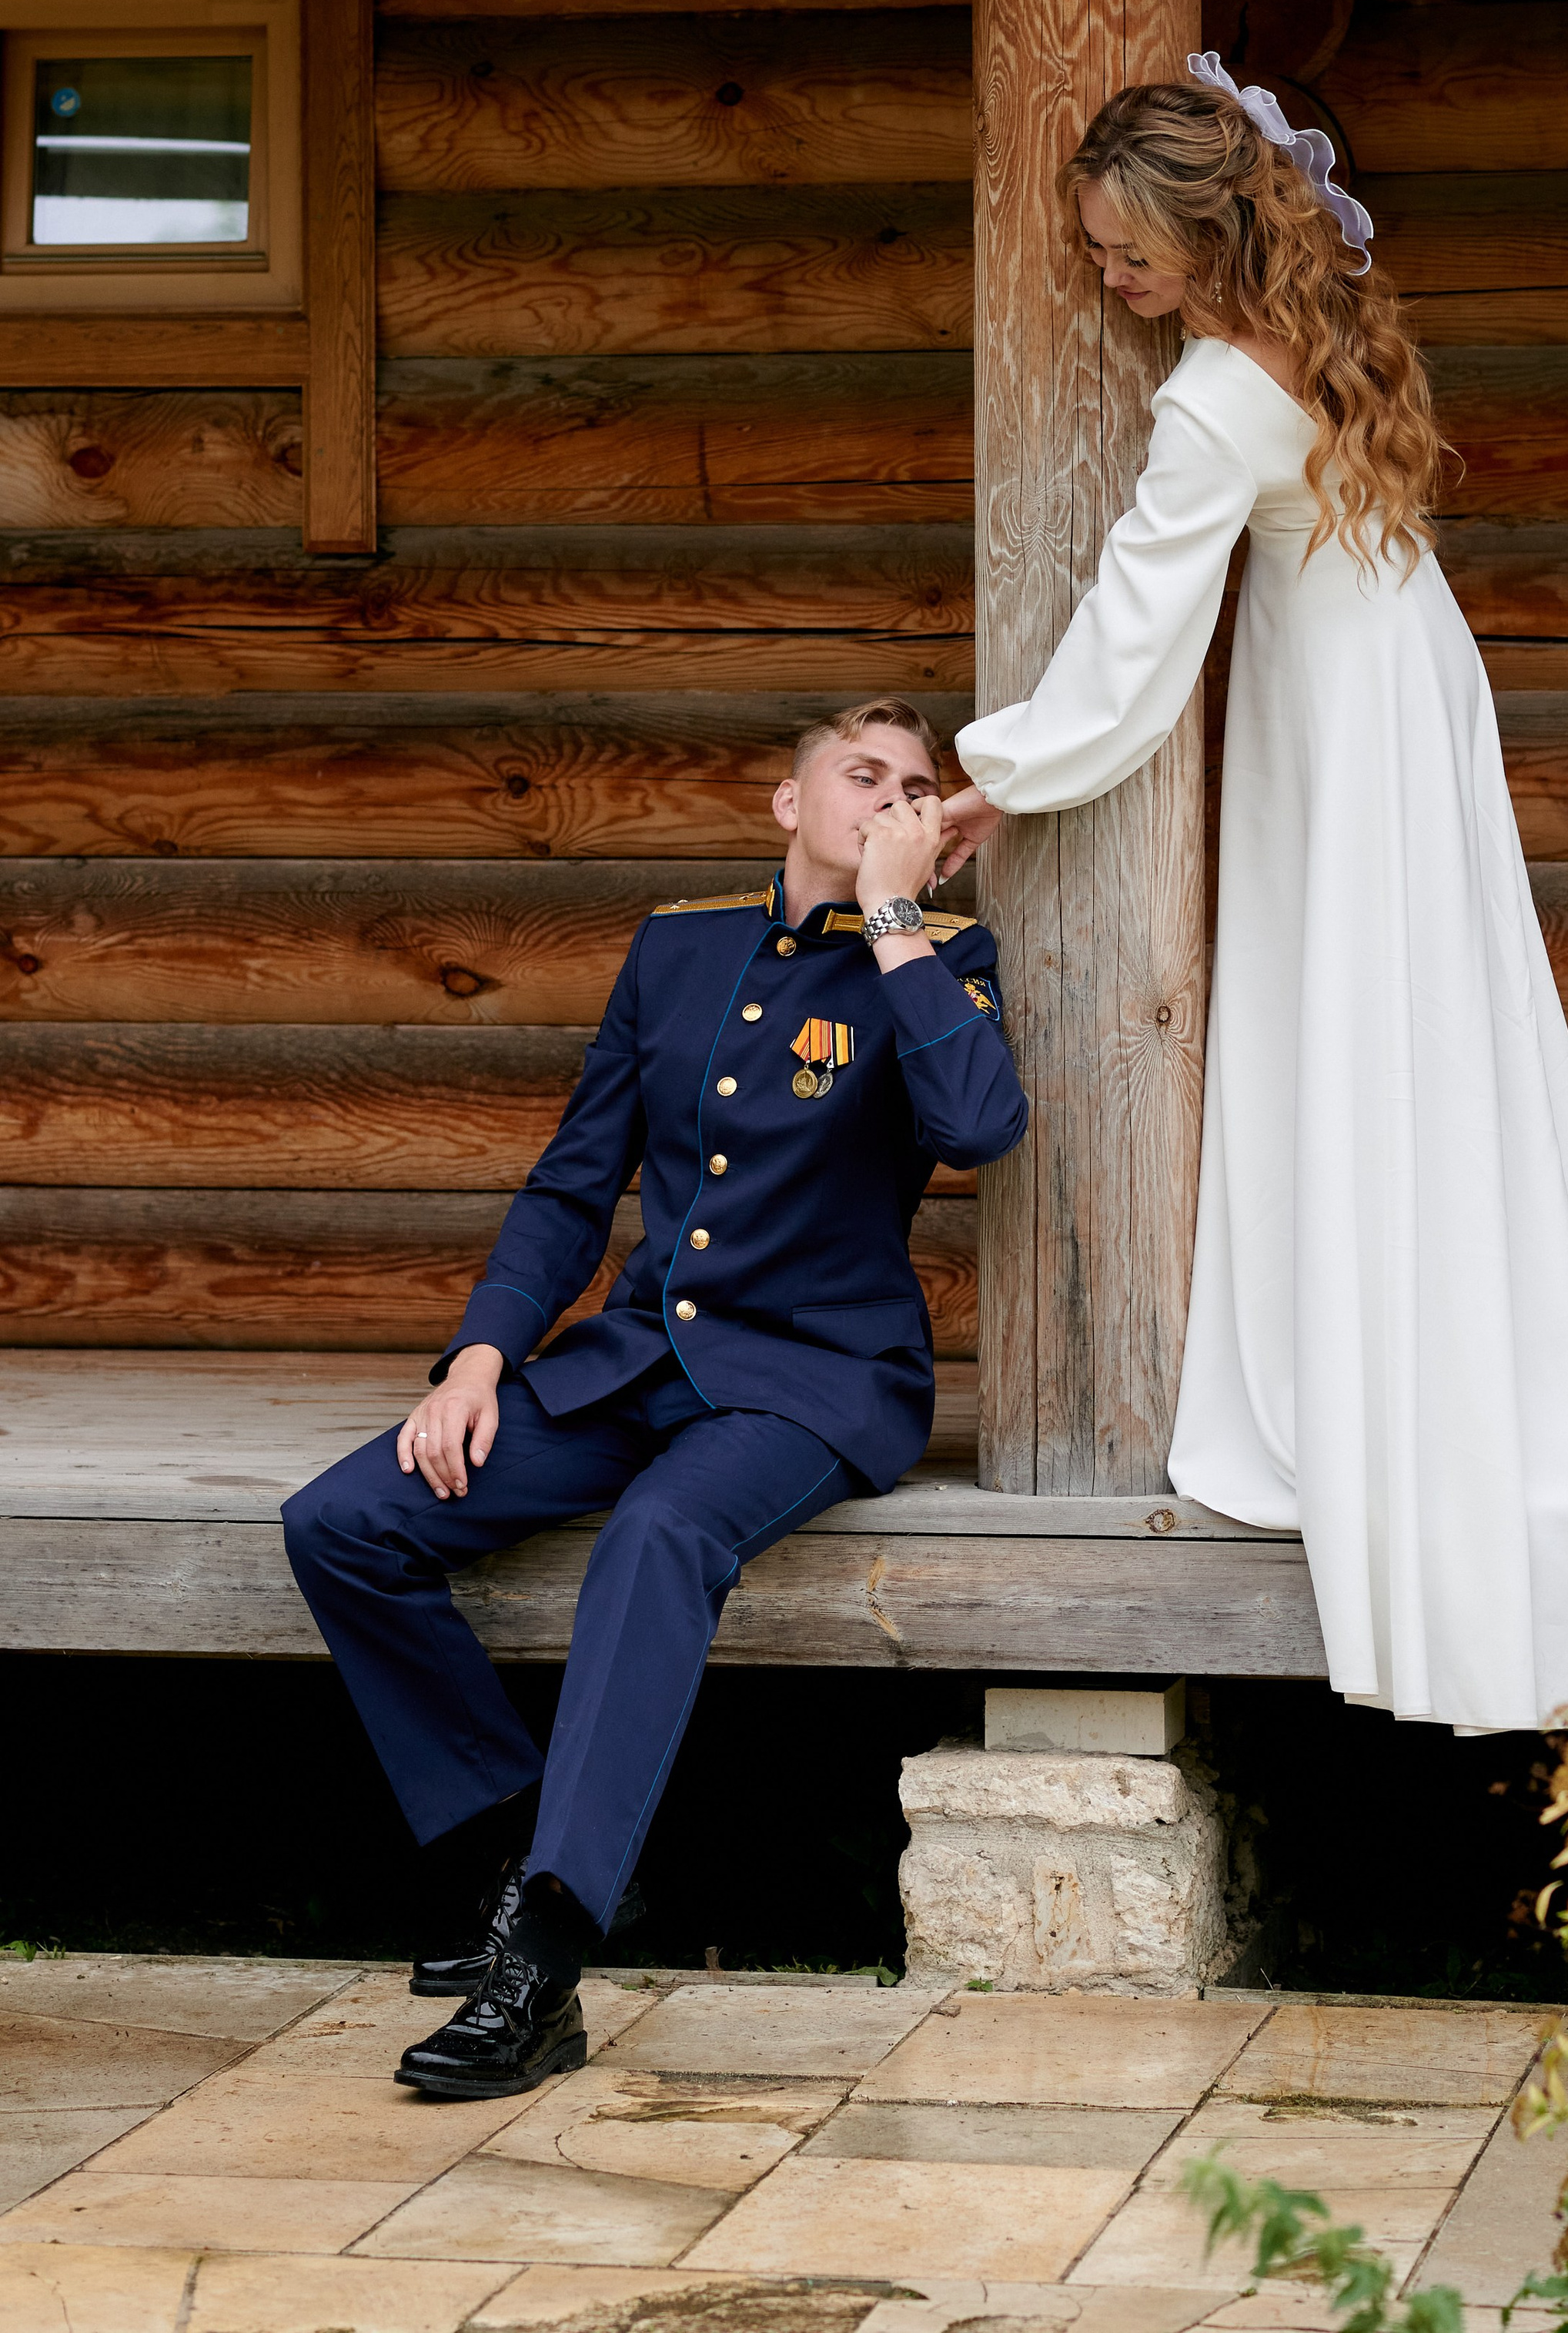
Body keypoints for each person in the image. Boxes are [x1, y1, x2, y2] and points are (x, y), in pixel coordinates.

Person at [936, 53, 1568, 1737]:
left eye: (1123, 253)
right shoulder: (1314, 324)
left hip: (1342, 729)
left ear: (1199, 236)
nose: (1104, 280)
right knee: (1419, 1023)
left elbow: (1134, 641)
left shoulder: (1209, 394)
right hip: (1403, 683)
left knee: (1351, 1025)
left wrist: (1000, 767)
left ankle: (1379, 1376)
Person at [284, 698, 1026, 2097]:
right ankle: (526, 1855)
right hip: (639, 1359)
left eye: (918, 789)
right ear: (785, 803)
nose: (890, 800)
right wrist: (483, 1356)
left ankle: (541, 1964)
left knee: (657, 1537)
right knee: (346, 1522)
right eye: (860, 775)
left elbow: (980, 1127)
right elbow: (577, 1179)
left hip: (817, 1382)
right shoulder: (679, 946)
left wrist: (894, 921)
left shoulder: (943, 962)